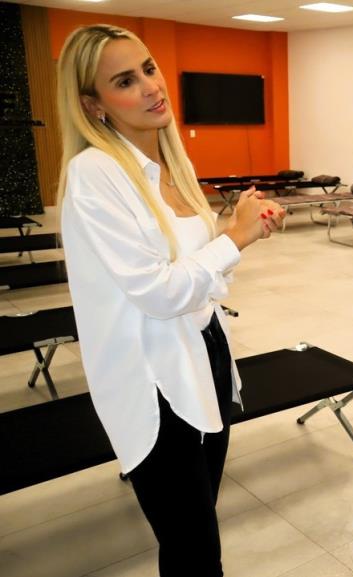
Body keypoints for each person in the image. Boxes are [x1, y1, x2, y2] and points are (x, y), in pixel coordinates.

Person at [57, 25, 283, 576]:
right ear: (94, 104)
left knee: (199, 523)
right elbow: (158, 293)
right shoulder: (94, 174)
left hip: (205, 351)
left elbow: (198, 275)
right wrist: (235, 238)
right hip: (151, 376)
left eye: (149, 68)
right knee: (193, 548)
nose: (152, 87)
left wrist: (234, 228)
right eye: (125, 81)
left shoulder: (171, 166)